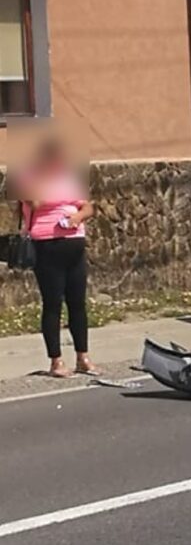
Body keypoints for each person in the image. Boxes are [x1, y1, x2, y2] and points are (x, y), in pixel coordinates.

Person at [17, 136, 97, 378]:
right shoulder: (28, 176)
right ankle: (56, 361)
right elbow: (36, 202)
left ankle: (83, 357)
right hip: (47, 245)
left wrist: (77, 216)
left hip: (74, 244)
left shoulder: (68, 177)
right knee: (53, 304)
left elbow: (89, 206)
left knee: (78, 304)